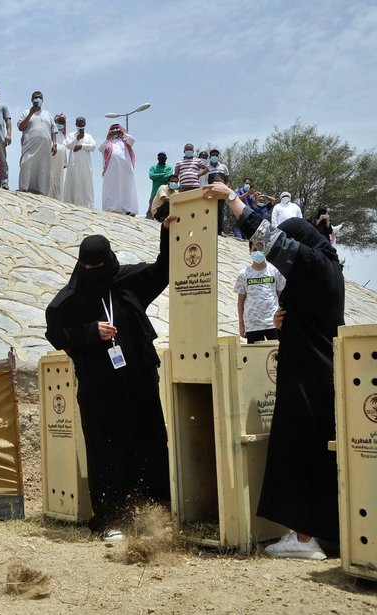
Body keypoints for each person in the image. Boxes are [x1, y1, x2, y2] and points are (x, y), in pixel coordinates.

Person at [207, 181, 344, 560]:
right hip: (325, 372)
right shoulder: (330, 267)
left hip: (307, 377)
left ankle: (303, 540)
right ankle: (328, 533)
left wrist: (230, 198)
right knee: (323, 453)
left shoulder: (313, 262)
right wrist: (289, 319)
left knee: (300, 450)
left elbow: (268, 238)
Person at [45, 215, 177, 541]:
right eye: (88, 269)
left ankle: (154, 514)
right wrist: (91, 332)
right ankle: (108, 520)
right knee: (106, 450)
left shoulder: (128, 280)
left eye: (99, 267)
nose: (94, 274)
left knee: (150, 443)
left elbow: (163, 269)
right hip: (100, 389)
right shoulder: (71, 299)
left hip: (140, 382)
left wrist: (165, 233)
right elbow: (56, 332)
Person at [234, 241, 285, 344]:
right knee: (255, 357)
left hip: (273, 323)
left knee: (276, 355)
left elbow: (281, 296)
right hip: (253, 324)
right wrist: (241, 325)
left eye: (261, 250)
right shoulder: (244, 274)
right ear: (250, 251)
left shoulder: (275, 271)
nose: (258, 253)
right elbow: (240, 302)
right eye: (255, 250)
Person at [17, 90, 57, 194]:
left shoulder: (48, 114)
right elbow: (21, 127)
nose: (37, 99)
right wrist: (31, 113)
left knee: (43, 168)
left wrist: (55, 143)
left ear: (42, 100)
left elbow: (54, 129)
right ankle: (24, 188)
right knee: (26, 163)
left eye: (39, 98)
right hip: (30, 146)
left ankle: (41, 191)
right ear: (31, 100)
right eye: (35, 97)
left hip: (45, 148)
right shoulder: (25, 112)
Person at [99, 123, 138, 215]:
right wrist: (107, 138)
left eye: (117, 129)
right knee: (111, 188)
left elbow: (133, 140)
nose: (115, 131)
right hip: (111, 169)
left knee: (126, 188)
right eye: (113, 129)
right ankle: (111, 207)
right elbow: (101, 149)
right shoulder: (108, 142)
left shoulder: (125, 140)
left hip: (125, 168)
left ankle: (128, 209)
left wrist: (123, 134)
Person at [62, 116, 95, 208]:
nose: (80, 126)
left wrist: (82, 146)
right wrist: (76, 139)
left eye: (82, 124)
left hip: (85, 164)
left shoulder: (89, 136)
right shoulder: (71, 135)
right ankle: (71, 202)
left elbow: (93, 147)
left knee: (85, 182)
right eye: (79, 124)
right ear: (76, 124)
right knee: (74, 181)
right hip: (74, 164)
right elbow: (68, 145)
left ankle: (86, 204)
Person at [206, 148, 230, 235]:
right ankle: (210, 229)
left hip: (221, 192)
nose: (214, 157)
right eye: (213, 155)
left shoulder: (223, 167)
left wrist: (224, 187)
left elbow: (227, 179)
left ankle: (221, 230)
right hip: (211, 192)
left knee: (220, 212)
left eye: (216, 155)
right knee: (210, 210)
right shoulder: (207, 167)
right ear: (210, 157)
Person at [147, 152, 172, 219]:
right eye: (160, 156)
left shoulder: (169, 168)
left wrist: (157, 177)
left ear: (166, 158)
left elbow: (168, 177)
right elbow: (152, 176)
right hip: (155, 191)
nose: (161, 158)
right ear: (157, 158)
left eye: (163, 156)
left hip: (166, 192)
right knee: (151, 208)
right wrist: (163, 174)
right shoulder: (153, 167)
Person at [49, 112, 68, 200]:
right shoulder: (50, 133)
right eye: (58, 121)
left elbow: (64, 149)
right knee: (49, 179)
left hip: (60, 163)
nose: (60, 124)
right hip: (51, 160)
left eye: (62, 122)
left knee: (59, 181)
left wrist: (65, 162)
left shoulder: (63, 136)